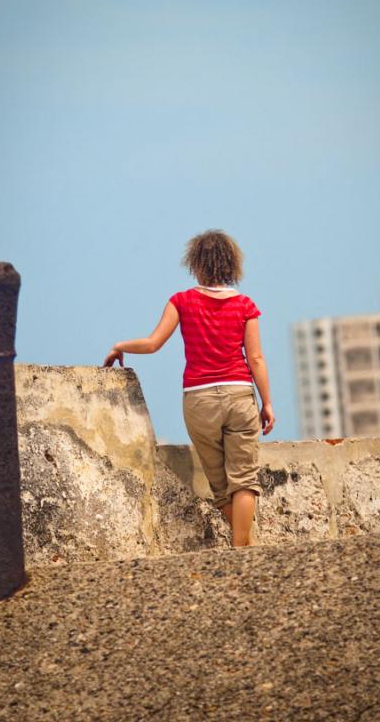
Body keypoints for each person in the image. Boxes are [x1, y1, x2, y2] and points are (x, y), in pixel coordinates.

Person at [103, 229, 275, 547]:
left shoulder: (181, 301)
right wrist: (267, 403)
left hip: (199, 400)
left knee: (220, 484)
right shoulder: (246, 306)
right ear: (230, 265)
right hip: (238, 394)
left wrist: (119, 345)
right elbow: (256, 358)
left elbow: (153, 344)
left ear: (196, 264)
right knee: (244, 479)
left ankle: (242, 545)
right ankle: (243, 547)